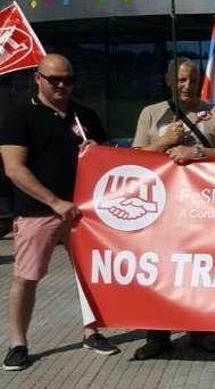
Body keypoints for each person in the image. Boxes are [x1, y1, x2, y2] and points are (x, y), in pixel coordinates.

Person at [1, 54, 120, 371]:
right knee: (26, 278)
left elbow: (109, 163)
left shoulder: (86, 115)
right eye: (54, 79)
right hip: (38, 211)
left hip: (84, 213)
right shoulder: (20, 116)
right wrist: (54, 202)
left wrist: (97, 151)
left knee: (89, 274)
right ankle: (18, 343)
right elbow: (14, 169)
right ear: (37, 78)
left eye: (68, 79)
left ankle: (91, 332)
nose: (62, 85)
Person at [131, 58, 215, 360]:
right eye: (180, 80)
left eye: (192, 80)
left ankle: (201, 332)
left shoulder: (214, 111)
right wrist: (166, 141)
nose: (187, 85)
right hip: (161, 211)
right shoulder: (151, 114)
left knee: (201, 272)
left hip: (204, 209)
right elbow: (135, 160)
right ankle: (158, 334)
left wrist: (198, 152)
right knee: (160, 271)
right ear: (169, 81)